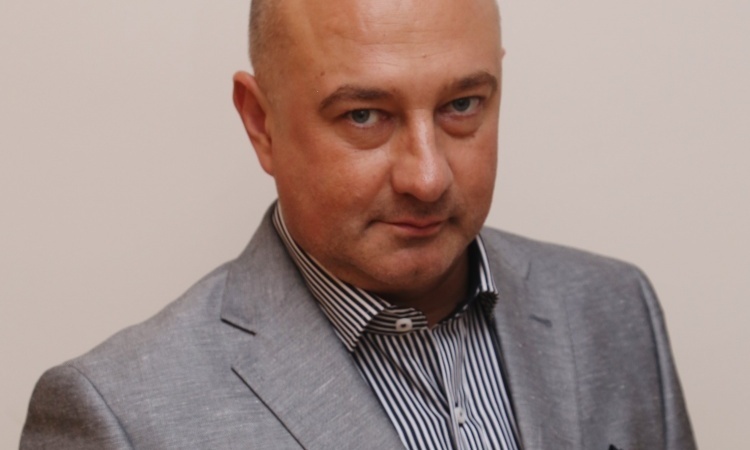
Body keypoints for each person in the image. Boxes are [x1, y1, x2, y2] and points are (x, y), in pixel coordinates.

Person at [20, 0, 696, 448]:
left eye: (462, 105)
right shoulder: (120, 417)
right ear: (261, 123)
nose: (427, 177)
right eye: (364, 116)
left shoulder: (617, 313)